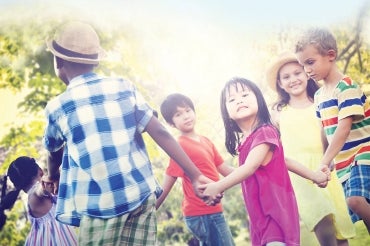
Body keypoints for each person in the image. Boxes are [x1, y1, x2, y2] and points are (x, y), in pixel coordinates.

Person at [42, 21, 219, 245]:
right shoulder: (123, 87)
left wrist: (52, 175)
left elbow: (53, 150)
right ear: (96, 61)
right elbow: (160, 131)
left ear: (58, 61)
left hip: (100, 207)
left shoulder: (58, 107)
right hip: (139, 197)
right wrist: (194, 175)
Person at [267, 51, 356, 245]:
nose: (293, 79)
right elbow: (274, 149)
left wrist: (331, 158)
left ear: (307, 74)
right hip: (300, 174)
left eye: (297, 73)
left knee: (341, 230)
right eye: (286, 77)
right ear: (280, 84)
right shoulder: (278, 112)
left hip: (327, 166)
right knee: (321, 216)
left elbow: (332, 132)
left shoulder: (322, 101)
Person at [201, 77, 301, 246]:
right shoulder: (247, 142)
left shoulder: (265, 132)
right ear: (227, 113)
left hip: (274, 213)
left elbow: (249, 168)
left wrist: (219, 186)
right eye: (231, 99)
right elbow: (249, 173)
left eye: (245, 95)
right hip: (259, 217)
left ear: (259, 100)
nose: (239, 100)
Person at [295, 27, 370, 234]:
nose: (307, 70)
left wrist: (323, 161)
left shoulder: (346, 88)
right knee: (364, 214)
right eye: (303, 65)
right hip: (345, 163)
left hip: (363, 154)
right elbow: (326, 131)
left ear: (330, 55)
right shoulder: (319, 96)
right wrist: (327, 163)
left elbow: (343, 129)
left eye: (310, 62)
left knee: (355, 200)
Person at [156, 93, 235, 246]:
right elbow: (169, 180)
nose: (185, 116)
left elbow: (225, 170)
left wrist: (254, 169)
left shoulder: (206, 141)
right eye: (178, 114)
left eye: (187, 111)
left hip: (213, 211)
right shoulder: (179, 146)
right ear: (171, 123)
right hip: (201, 213)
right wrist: (151, 210)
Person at [0, 156, 77, 245]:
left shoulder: (35, 195)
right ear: (40, 170)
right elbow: (39, 191)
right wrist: (45, 185)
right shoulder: (34, 195)